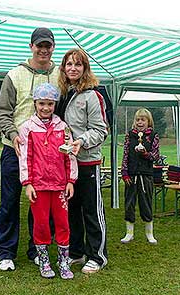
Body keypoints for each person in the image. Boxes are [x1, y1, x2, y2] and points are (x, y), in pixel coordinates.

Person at [0, 27, 59, 271]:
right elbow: (3, 112)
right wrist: (13, 136)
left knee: (41, 202)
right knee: (9, 201)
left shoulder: (60, 75)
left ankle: (37, 249)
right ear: (31, 46)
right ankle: (6, 252)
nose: (43, 50)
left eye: (48, 46)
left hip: (46, 152)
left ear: (52, 48)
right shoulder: (14, 75)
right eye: (39, 45)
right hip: (15, 149)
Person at [56, 48, 108, 274]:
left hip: (88, 163)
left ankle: (97, 256)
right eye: (69, 64)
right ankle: (77, 252)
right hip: (66, 165)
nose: (73, 68)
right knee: (71, 211)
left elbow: (101, 130)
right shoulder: (61, 94)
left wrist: (81, 141)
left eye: (78, 64)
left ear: (85, 68)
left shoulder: (92, 95)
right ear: (63, 68)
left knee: (91, 211)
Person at [18, 83, 78, 279]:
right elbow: (25, 158)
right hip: (39, 186)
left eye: (50, 104)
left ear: (55, 104)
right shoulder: (27, 128)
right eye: (42, 103)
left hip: (60, 186)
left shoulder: (63, 127)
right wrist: (27, 184)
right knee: (41, 224)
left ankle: (63, 261)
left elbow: (69, 155)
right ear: (35, 103)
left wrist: (70, 180)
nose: (46, 108)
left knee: (63, 224)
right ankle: (43, 260)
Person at [120, 108, 160, 244]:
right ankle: (129, 233)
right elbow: (125, 154)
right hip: (131, 174)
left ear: (149, 121)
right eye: (138, 119)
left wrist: (145, 154)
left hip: (146, 175)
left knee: (146, 203)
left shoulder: (153, 135)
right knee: (129, 203)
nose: (140, 122)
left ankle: (149, 233)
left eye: (143, 119)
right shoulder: (129, 135)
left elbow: (155, 156)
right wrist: (124, 172)